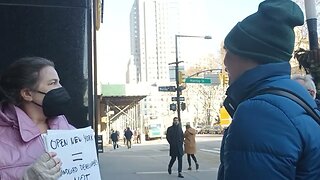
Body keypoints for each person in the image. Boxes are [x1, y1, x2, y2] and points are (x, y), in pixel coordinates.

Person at [218, 0, 320, 179]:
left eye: (229, 52)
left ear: (250, 55)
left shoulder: (260, 112)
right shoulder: (294, 98)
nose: (225, 63)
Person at [0, 57, 75, 179]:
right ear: (27, 94)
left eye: (59, 82)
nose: (60, 88)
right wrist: (25, 177)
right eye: (52, 83)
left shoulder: (71, 131)